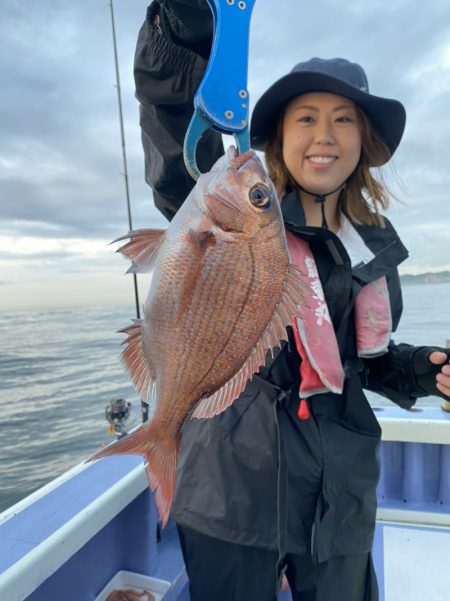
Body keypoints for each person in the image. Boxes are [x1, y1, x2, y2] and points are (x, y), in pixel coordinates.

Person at [133, 2, 450, 600]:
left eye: (343, 120)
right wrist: (183, 26)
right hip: (230, 488)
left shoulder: (373, 245)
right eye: (306, 118)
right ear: (278, 134)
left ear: (366, 139)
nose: (324, 135)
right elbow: (174, 117)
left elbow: (364, 359)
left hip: (340, 501)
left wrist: (422, 369)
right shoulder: (230, 206)